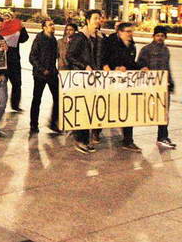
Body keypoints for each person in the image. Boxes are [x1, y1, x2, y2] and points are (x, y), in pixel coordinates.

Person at [66, 9, 105, 154]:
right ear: (88, 20)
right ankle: (80, 141)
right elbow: (70, 56)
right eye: (95, 18)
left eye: (99, 18)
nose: (98, 21)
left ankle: (86, 139)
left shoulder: (99, 37)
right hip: (82, 78)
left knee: (91, 109)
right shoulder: (80, 37)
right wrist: (84, 66)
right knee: (82, 109)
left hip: (95, 78)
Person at [103, 22, 143, 152]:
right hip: (112, 83)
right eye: (128, 31)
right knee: (105, 109)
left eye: (131, 31)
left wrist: (140, 67)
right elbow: (104, 60)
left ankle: (128, 140)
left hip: (125, 83)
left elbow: (131, 63)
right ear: (120, 32)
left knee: (128, 110)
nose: (130, 34)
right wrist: (114, 68)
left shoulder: (131, 45)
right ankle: (96, 133)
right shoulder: (110, 43)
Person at [137, 25, 176, 149]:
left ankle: (162, 137)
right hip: (151, 85)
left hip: (163, 85)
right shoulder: (146, 49)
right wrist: (143, 68)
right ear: (153, 36)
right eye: (157, 35)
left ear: (165, 37)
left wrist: (170, 82)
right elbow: (139, 63)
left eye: (162, 36)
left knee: (164, 112)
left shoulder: (166, 50)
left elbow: (167, 67)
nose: (159, 38)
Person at [29, 19, 60, 134]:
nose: (53, 26)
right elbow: (32, 57)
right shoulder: (39, 39)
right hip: (40, 75)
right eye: (50, 25)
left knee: (58, 98)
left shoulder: (53, 39)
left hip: (52, 73)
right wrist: (42, 69)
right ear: (44, 27)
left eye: (53, 24)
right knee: (37, 99)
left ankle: (53, 122)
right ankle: (33, 125)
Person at [3, 12, 29, 112]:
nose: (7, 19)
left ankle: (15, 105)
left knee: (17, 83)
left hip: (14, 60)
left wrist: (22, 28)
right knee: (0, 84)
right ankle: (0, 104)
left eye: (9, 17)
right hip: (2, 61)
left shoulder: (16, 30)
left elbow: (24, 39)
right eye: (4, 17)